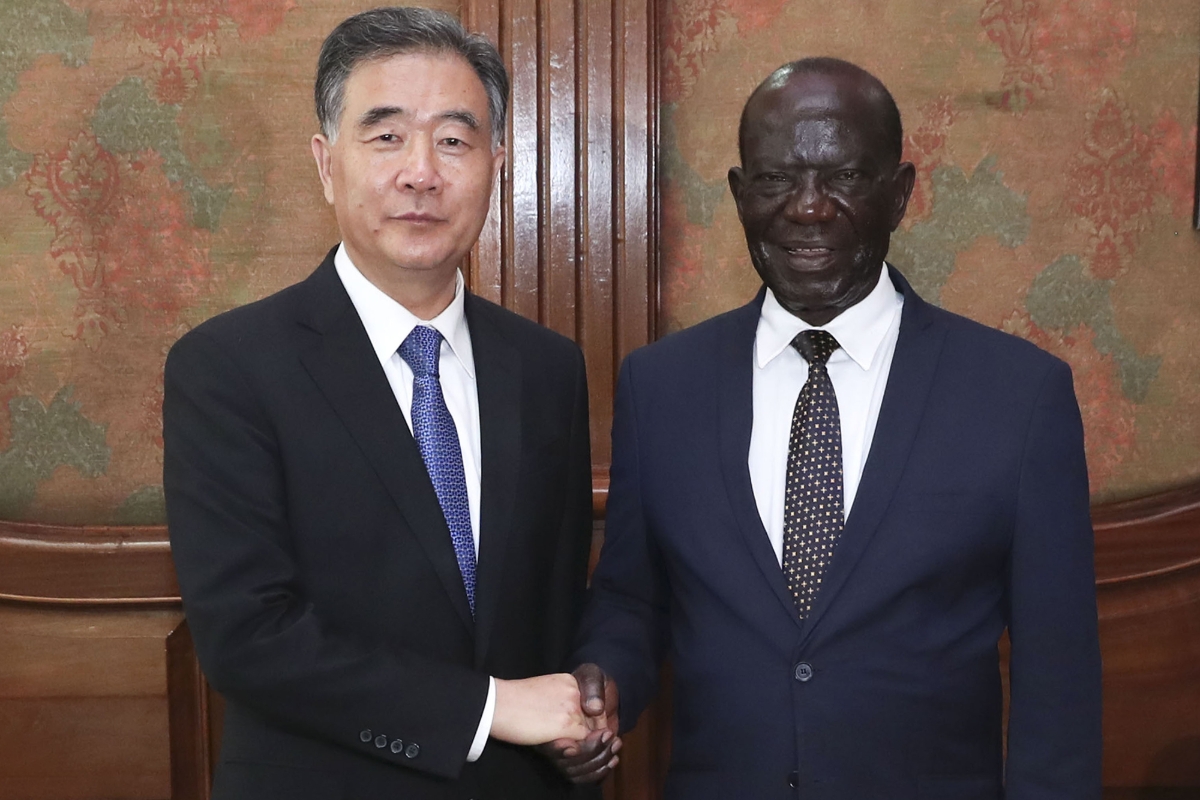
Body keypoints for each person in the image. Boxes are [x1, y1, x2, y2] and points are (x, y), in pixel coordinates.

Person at [558, 58, 1102, 797]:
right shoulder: (661, 386)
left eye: (843, 178)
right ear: (740, 194)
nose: (808, 209)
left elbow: (1058, 680)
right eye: (777, 180)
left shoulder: (1018, 395)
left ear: (900, 194)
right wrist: (604, 679)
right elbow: (633, 597)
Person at [163, 8, 601, 798]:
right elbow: (248, 637)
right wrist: (488, 707)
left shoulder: (546, 369)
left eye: (456, 140)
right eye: (387, 135)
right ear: (326, 164)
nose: (422, 172)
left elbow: (557, 608)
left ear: (497, 163)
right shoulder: (227, 369)